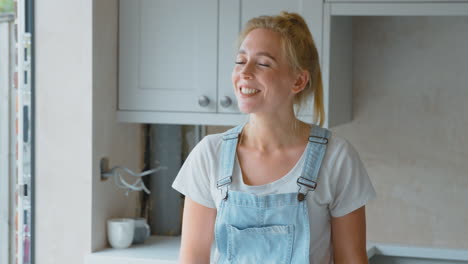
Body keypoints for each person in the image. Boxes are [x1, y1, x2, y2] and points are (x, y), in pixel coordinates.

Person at [172, 11, 376, 264]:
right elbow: (192, 259)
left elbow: (352, 260)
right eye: (240, 60)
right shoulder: (209, 155)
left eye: (263, 63)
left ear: (298, 81)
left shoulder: (336, 157)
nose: (244, 72)